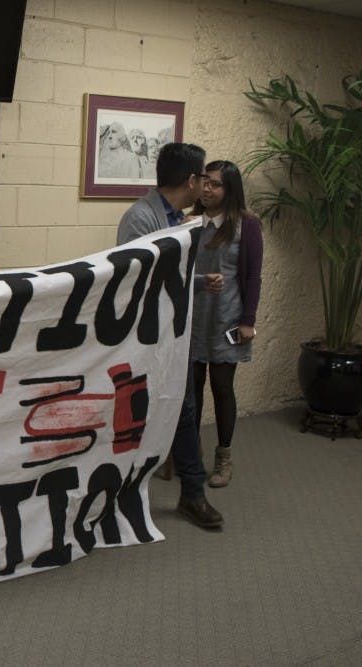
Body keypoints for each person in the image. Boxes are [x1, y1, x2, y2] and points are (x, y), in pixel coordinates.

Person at [117, 142, 225, 530]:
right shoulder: (140, 219)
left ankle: (193, 495)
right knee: (133, 418)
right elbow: (134, 280)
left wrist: (197, 281)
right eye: (204, 179)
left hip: (173, 336)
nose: (207, 187)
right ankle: (116, 496)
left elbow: (169, 276)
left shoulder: (177, 219)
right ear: (191, 180)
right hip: (145, 337)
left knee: (184, 411)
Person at [189, 160, 263, 487]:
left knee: (221, 388)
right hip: (191, 318)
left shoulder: (246, 225)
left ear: (229, 189)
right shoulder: (188, 223)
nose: (207, 188)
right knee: (191, 391)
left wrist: (248, 321)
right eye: (205, 181)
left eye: (215, 183)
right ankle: (191, 455)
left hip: (226, 317)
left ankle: (224, 458)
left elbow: (252, 276)